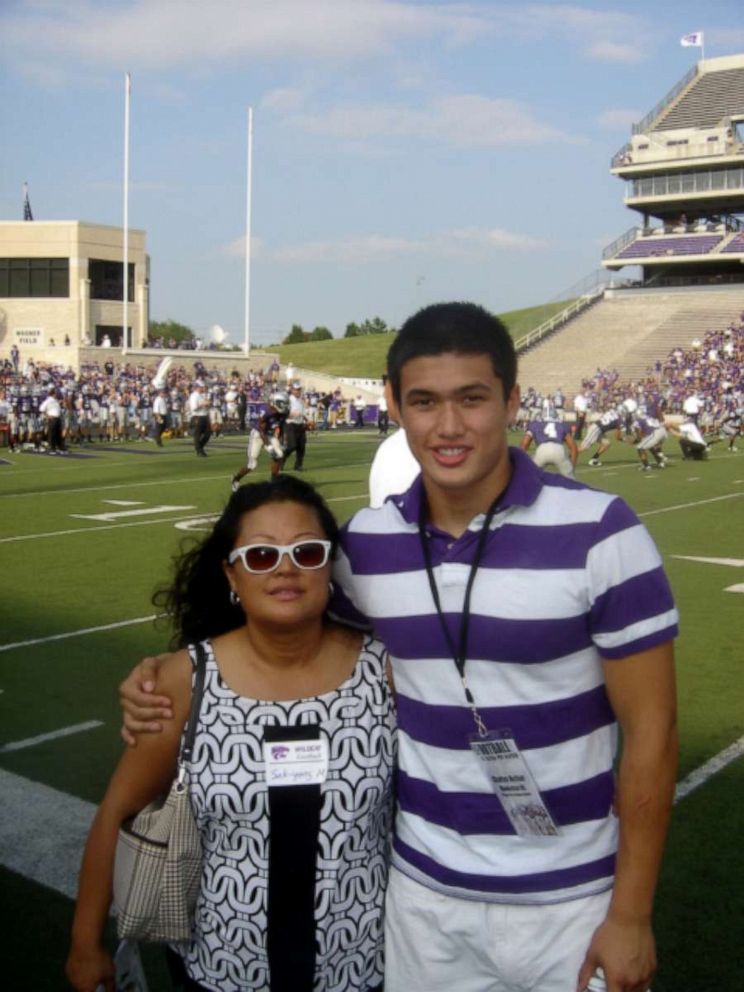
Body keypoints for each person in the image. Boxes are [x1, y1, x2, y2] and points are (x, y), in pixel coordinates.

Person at [121, 302, 678, 992]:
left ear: (511, 399)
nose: (448, 426)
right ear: (394, 405)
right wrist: (167, 677)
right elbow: (282, 628)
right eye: (424, 402)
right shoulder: (365, 548)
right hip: (422, 898)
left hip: (571, 900)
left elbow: (652, 734)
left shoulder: (603, 533)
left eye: (472, 399)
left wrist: (631, 914)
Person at [67, 476, 395, 992]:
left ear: (330, 566)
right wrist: (86, 943)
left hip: (362, 968)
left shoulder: (386, 672)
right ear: (231, 575)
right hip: (220, 969)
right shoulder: (182, 681)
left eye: (307, 552)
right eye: (261, 556)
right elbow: (117, 811)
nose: (286, 568)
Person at [232, 391, 289, 488]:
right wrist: (269, 447)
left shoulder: (284, 412)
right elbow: (262, 431)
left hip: (270, 434)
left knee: (279, 455)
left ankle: (273, 483)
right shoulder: (266, 410)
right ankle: (236, 479)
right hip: (258, 435)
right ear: (276, 402)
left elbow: (282, 426)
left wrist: (282, 441)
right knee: (252, 464)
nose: (285, 406)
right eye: (283, 403)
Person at [520, 410, 577, 477]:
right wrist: (571, 466)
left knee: (530, 476)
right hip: (559, 450)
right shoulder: (562, 425)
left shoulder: (535, 424)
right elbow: (573, 448)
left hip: (542, 450)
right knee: (570, 480)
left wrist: (521, 462)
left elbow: (524, 444)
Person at [284, 383, 307, 471]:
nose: (298, 391)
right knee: (292, 446)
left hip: (300, 424)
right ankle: (282, 458)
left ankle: (298, 465)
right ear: (292, 390)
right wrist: (293, 414)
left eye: (299, 389)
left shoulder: (300, 400)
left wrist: (307, 421)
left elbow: (302, 413)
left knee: (301, 446)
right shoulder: (288, 400)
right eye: (296, 389)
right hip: (290, 424)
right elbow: (283, 413)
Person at [39, 386, 66, 454]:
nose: (57, 394)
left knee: (58, 434)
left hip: (58, 418)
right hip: (52, 419)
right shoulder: (48, 400)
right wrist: (47, 416)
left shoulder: (55, 400)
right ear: (53, 394)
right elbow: (41, 409)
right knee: (52, 435)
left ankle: (59, 448)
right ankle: (52, 449)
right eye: (56, 393)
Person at [188, 382, 210, 457]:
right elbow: (194, 408)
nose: (203, 388)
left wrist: (207, 405)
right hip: (198, 416)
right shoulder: (194, 396)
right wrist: (203, 404)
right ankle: (199, 450)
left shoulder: (201, 395)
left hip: (204, 416)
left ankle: (199, 447)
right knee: (197, 434)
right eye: (201, 387)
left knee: (208, 433)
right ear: (198, 387)